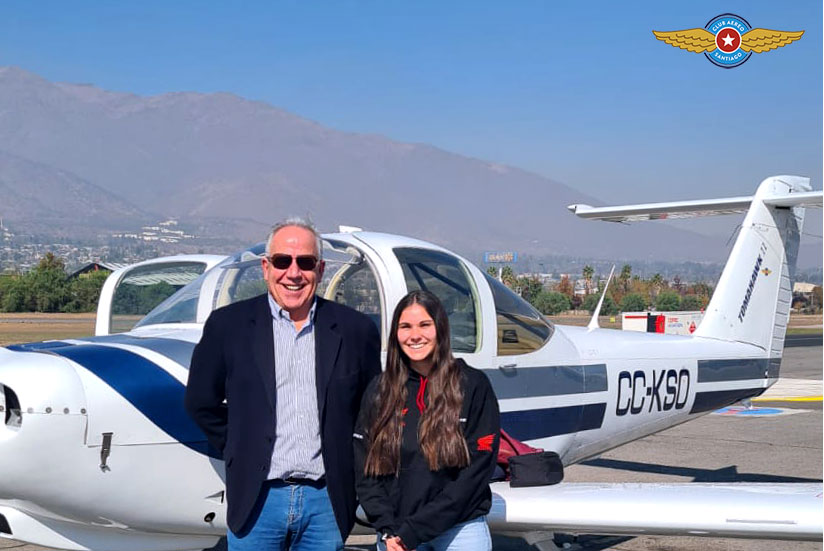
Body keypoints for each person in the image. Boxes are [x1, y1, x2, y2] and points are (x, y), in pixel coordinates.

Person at [185, 218, 381, 551]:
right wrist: (240, 448)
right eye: (282, 261)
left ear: (319, 270)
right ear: (266, 267)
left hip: (326, 504)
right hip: (258, 500)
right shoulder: (228, 327)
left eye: (305, 262)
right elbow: (200, 402)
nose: (293, 273)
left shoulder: (355, 330)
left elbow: (372, 412)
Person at [354, 290, 500, 551]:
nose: (415, 335)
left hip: (460, 530)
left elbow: (475, 474)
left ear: (441, 328)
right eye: (405, 326)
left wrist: (415, 530)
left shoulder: (474, 385)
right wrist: (387, 529)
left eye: (424, 325)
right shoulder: (379, 391)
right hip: (395, 535)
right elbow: (365, 469)